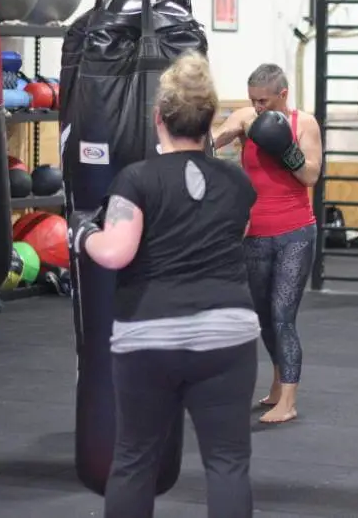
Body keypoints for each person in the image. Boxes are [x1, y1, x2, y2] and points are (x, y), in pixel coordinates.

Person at [69, 53, 260, 518]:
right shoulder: (238, 182)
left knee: (134, 459)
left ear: (158, 118)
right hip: (227, 332)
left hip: (151, 334)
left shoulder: (134, 179)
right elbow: (237, 233)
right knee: (229, 462)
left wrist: (81, 232)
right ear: (210, 119)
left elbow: (115, 253)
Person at [212, 64, 322, 425]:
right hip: (255, 232)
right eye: (253, 100)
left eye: (264, 100)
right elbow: (215, 140)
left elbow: (310, 175)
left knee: (282, 316)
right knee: (263, 319)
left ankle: (288, 400)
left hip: (296, 233)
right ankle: (277, 383)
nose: (258, 106)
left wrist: (284, 147)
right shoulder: (246, 117)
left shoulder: (305, 124)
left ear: (283, 95)